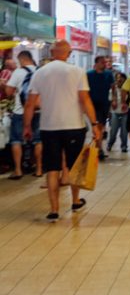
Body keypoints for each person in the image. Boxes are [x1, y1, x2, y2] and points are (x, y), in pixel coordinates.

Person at [22, 40, 103, 221]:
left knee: (52, 168)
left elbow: (30, 103)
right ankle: (75, 201)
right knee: (74, 167)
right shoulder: (77, 71)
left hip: (49, 127)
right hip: (74, 126)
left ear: (51, 52)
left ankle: (54, 210)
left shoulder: (39, 73)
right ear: (69, 53)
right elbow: (85, 99)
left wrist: (27, 126)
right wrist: (95, 123)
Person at [3, 50, 43, 179]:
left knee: (16, 140)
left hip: (21, 111)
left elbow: (9, 92)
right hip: (38, 111)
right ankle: (39, 169)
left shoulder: (18, 72)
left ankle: (18, 170)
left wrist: (3, 85)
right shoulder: (41, 71)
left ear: (21, 60)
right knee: (38, 140)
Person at [86, 56, 114, 161]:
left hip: (104, 104)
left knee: (101, 126)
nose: (105, 64)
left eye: (105, 62)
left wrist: (114, 100)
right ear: (96, 63)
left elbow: (113, 87)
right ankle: (98, 149)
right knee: (96, 126)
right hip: (92, 104)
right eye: (102, 62)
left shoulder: (109, 74)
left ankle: (98, 148)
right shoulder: (89, 74)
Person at [107, 72, 130, 153]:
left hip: (125, 113)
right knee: (113, 131)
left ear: (124, 79)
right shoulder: (113, 89)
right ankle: (110, 144)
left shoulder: (128, 90)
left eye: (121, 78)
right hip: (115, 112)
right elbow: (109, 101)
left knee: (124, 132)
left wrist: (126, 104)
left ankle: (124, 146)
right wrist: (112, 102)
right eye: (117, 78)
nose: (119, 80)